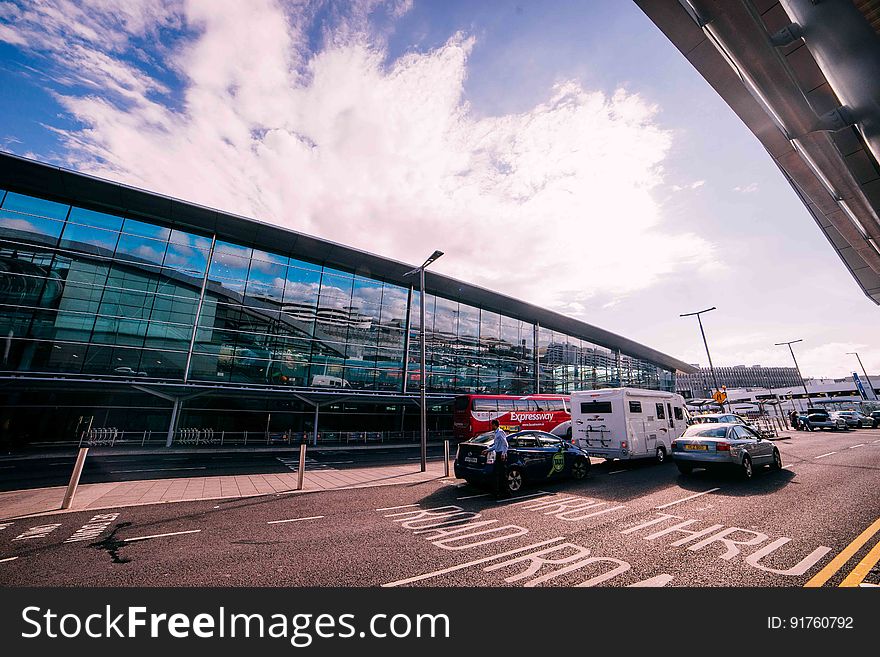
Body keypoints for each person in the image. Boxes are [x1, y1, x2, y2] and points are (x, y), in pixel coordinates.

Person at [490, 419, 510, 498]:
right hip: (498, 455)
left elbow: (505, 444)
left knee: (502, 474)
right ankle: (499, 492)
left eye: (492, 425)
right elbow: (496, 446)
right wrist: (487, 450)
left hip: (501, 456)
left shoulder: (500, 432)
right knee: (498, 474)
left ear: (495, 425)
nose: (491, 426)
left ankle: (505, 492)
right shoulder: (496, 433)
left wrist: (503, 454)